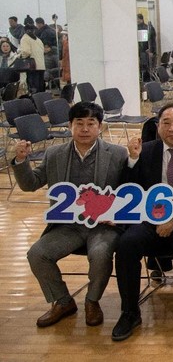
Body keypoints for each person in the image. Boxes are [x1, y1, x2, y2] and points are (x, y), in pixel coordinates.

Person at [12, 102, 128, 328]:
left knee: (100, 254)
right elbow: (30, 184)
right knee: (37, 254)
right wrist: (21, 161)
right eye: (79, 123)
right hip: (68, 226)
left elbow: (129, 189)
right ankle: (63, 301)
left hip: (103, 225)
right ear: (69, 125)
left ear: (100, 127)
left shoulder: (117, 153)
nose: (84, 129)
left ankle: (92, 301)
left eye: (90, 123)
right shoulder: (54, 153)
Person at [112, 104, 173, 341]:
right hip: (150, 217)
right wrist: (132, 161)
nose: (172, 128)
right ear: (158, 127)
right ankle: (129, 312)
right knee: (126, 244)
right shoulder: (145, 150)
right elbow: (128, 189)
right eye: (166, 123)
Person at [19, 23, 46, 93]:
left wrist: (21, 56)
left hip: (32, 66)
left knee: (34, 89)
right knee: (40, 88)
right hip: (41, 66)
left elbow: (26, 51)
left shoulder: (25, 38)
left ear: (25, 30)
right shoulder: (38, 40)